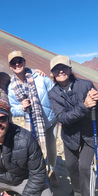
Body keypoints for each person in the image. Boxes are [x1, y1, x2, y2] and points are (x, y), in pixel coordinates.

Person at [48, 55, 98, 196]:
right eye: (56, 69)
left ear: (70, 69)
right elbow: (63, 117)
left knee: (85, 167)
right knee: (71, 166)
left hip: (91, 133)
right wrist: (84, 106)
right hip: (70, 135)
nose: (61, 71)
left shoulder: (85, 85)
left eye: (64, 67)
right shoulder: (53, 94)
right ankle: (77, 190)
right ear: (52, 73)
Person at [7, 50, 60, 188]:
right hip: (31, 125)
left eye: (19, 61)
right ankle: (40, 173)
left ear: (24, 62)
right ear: (10, 66)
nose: (17, 64)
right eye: (14, 62)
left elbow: (55, 94)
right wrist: (22, 108)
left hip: (50, 120)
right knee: (35, 149)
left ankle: (52, 170)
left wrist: (58, 113)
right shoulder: (11, 88)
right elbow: (12, 109)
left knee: (51, 146)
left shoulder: (40, 78)